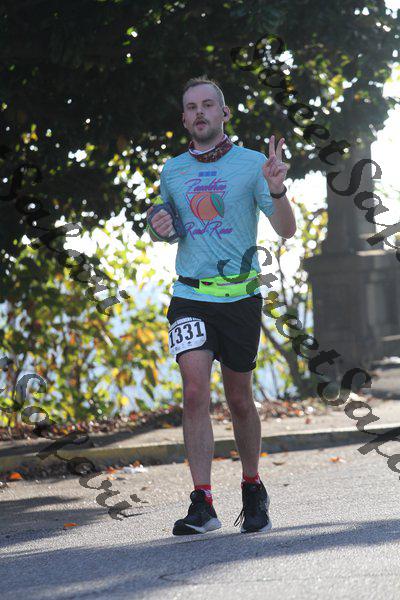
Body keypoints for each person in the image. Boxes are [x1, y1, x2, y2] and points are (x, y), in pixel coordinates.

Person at [146, 76, 296, 535]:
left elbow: (286, 230)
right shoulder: (173, 170)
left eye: (208, 105)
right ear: (184, 119)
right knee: (194, 392)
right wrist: (158, 224)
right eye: (192, 107)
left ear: (224, 113)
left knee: (239, 400)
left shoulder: (253, 165)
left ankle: (252, 486)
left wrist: (276, 189)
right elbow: (164, 223)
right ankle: (202, 503)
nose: (200, 112)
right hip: (189, 295)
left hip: (240, 297)